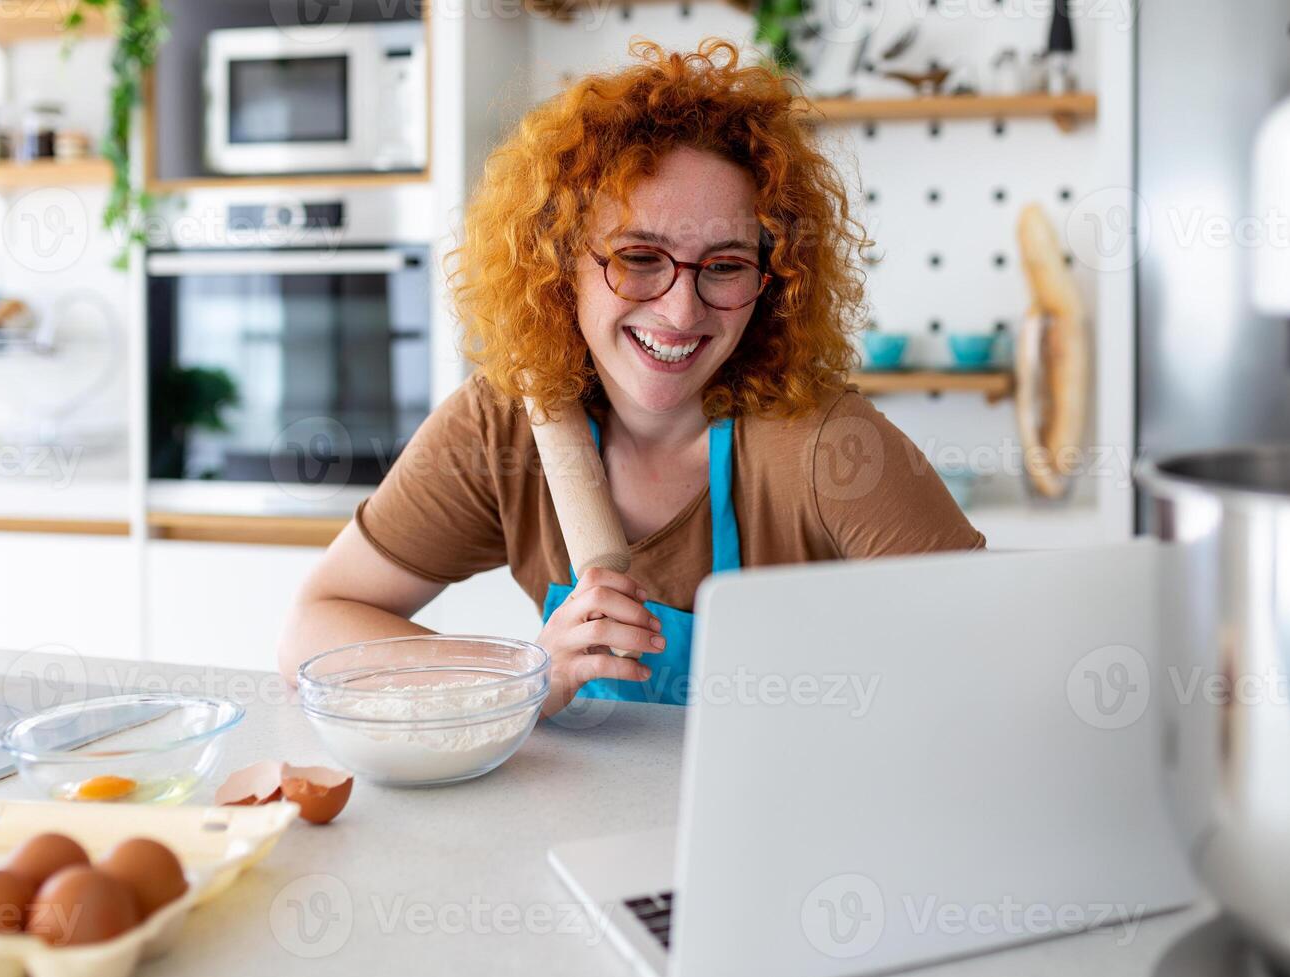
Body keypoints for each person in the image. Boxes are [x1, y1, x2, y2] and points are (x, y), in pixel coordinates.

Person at [279, 37, 985, 713]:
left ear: (770, 282)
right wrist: (522, 677)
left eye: (726, 264)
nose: (681, 310)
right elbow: (315, 629)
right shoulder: (505, 425)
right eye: (639, 256)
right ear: (559, 265)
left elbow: (998, 656)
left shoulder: (827, 446)